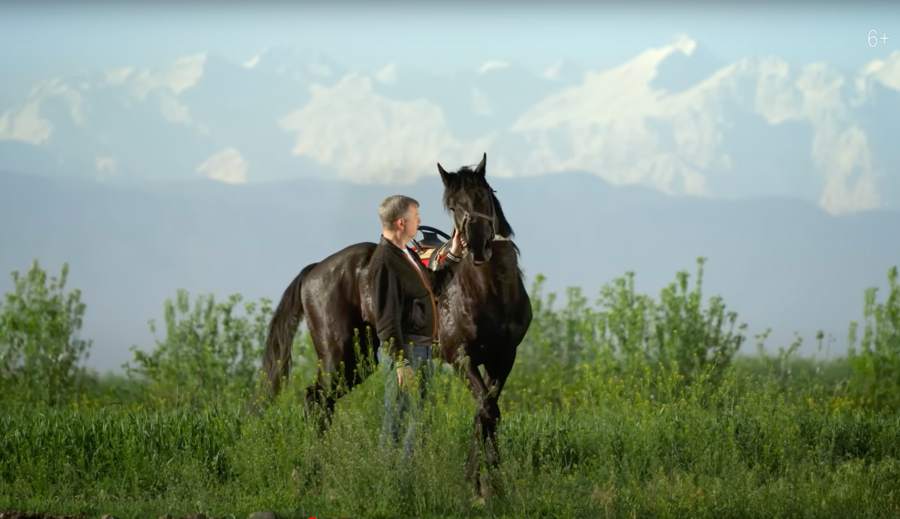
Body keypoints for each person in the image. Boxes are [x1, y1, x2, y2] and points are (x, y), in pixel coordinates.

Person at [368, 194, 466, 458]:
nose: (420, 220)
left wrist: (454, 254)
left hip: (418, 349)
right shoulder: (386, 263)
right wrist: (401, 363)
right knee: (397, 421)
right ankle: (390, 486)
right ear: (401, 222)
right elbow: (386, 320)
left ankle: (405, 480)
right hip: (406, 352)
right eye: (415, 216)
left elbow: (432, 285)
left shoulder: (405, 253)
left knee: (422, 415)